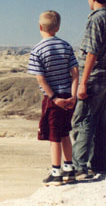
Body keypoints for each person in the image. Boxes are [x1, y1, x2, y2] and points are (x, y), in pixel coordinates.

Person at [71, 0, 106, 180]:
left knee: (83, 121)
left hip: (94, 78)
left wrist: (83, 83)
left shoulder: (96, 19)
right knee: (100, 122)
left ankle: (79, 166)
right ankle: (100, 164)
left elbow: (91, 53)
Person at [28, 10, 79, 186]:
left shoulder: (37, 50)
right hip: (68, 96)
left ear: (40, 26)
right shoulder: (66, 46)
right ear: (57, 28)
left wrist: (54, 97)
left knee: (54, 136)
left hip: (54, 99)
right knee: (65, 132)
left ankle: (56, 172)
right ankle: (69, 169)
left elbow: (40, 78)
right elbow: (75, 72)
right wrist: (73, 95)